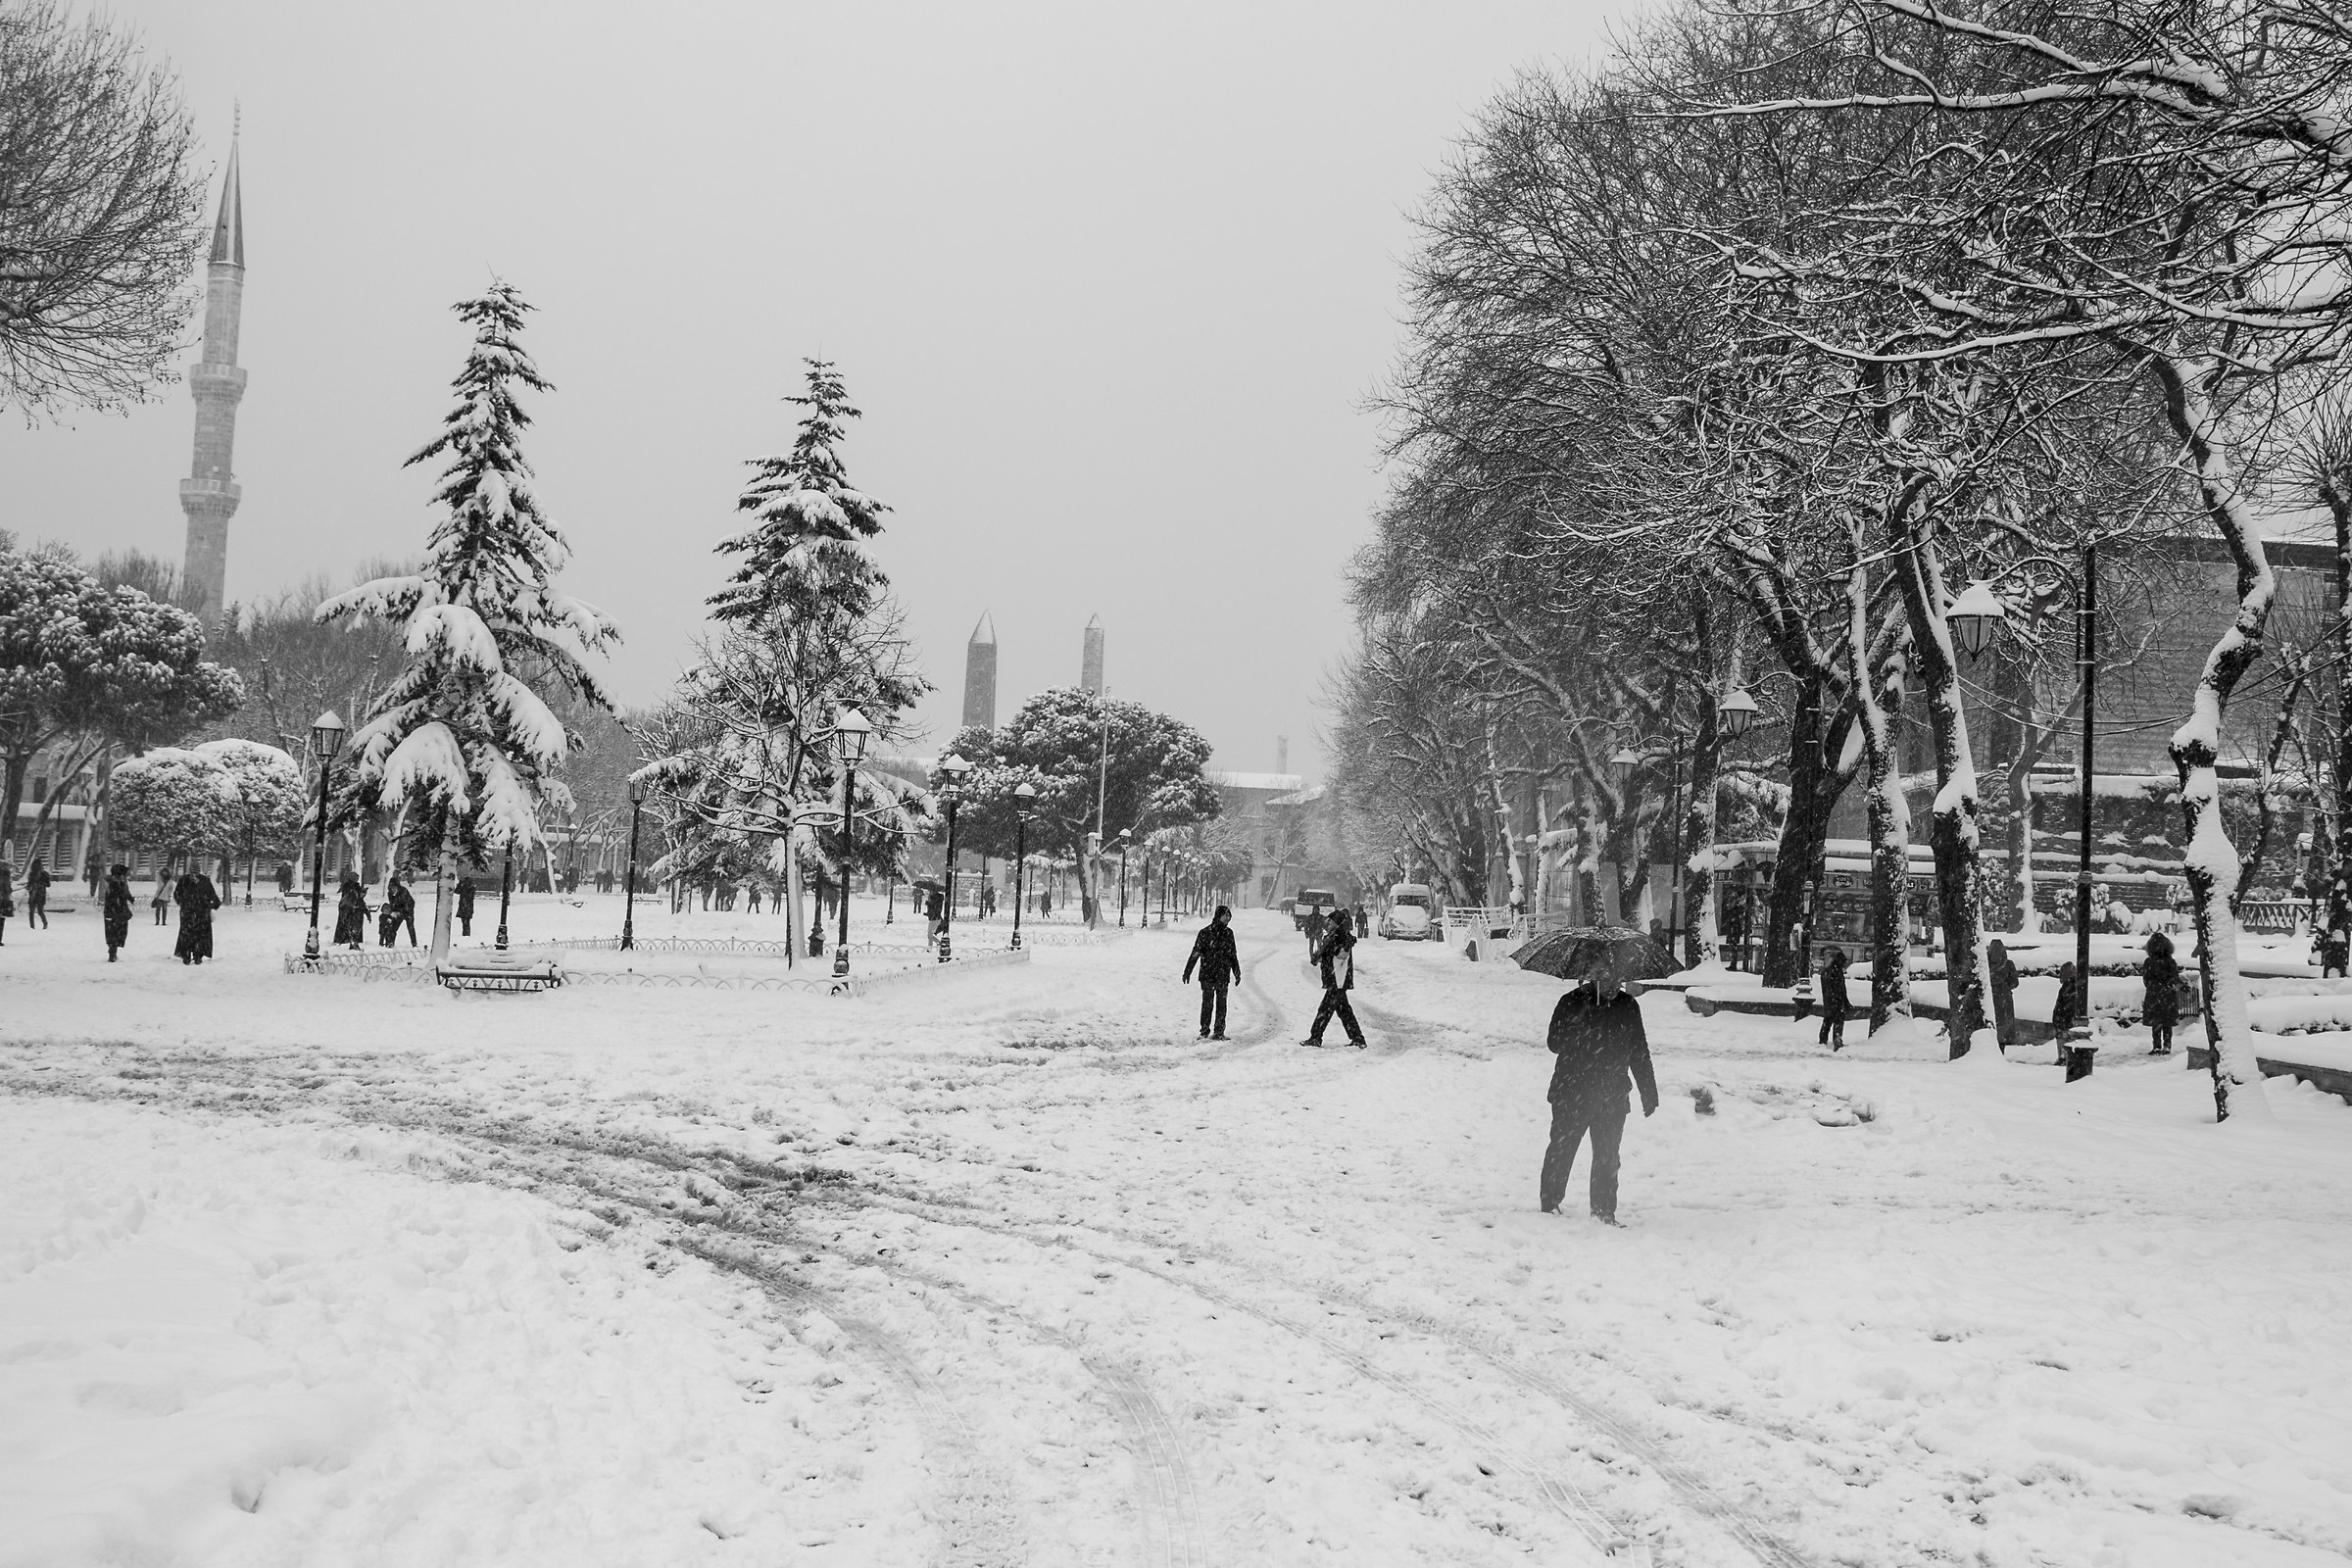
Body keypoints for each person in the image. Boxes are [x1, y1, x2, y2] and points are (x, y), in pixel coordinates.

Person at [1540, 949, 1661, 1223]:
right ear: (1591, 975)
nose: (1612, 984)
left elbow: (1639, 1051)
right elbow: (1554, 1044)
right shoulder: (1571, 1002)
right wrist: (1579, 1016)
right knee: (1562, 1149)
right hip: (1572, 1091)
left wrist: (1648, 1092)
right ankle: (1550, 1204)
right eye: (1605, 976)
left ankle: (1604, 1211)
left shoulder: (1628, 1006)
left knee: (1608, 1156)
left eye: (1616, 977)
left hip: (1612, 1093)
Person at [1301, 907, 1367, 1049]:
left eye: (1330, 921)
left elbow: (1327, 953)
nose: (1327, 923)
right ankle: (1357, 1038)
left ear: (1336, 923)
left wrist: (1318, 956)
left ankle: (1316, 1037)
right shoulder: (1339, 936)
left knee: (1325, 1010)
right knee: (1344, 1010)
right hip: (1339, 979)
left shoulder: (1337, 936)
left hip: (1336, 979)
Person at [1183, 905, 1243, 1040]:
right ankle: (1204, 1031)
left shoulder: (1229, 934)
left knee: (1222, 1005)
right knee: (1207, 1004)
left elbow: (1233, 955)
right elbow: (1195, 953)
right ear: (1218, 916)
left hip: (1222, 975)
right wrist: (1188, 971)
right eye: (1226, 915)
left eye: (1229, 916)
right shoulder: (1205, 933)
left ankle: (1219, 1032)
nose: (1228, 918)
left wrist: (1237, 972)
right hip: (1207, 975)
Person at [2141, 930, 2181, 1056]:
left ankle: (2156, 1046)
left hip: (2154, 996)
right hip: (2168, 995)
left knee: (2156, 1023)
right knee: (2167, 1022)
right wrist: (2169, 987)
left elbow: (2146, 980)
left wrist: (2154, 988)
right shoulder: (2170, 961)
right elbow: (2175, 978)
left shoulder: (2149, 962)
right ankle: (2167, 1045)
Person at [172, 868, 220, 964]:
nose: (194, 874)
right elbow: (177, 894)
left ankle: (191, 955)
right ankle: (193, 955)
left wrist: (183, 903)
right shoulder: (187, 880)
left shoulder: (190, 880)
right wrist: (213, 904)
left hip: (193, 912)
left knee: (190, 934)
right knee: (197, 934)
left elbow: (177, 894)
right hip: (196, 912)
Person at [1988, 939, 2020, 1051]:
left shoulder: (1985, 963)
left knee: (1991, 1023)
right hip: (2004, 998)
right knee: (2003, 1025)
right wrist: (2005, 986)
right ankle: (2001, 1048)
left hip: (1990, 997)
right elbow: (2015, 983)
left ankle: (1989, 1046)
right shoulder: (2008, 964)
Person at [1819, 948, 1851, 1050]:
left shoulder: (1826, 971)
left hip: (1829, 1000)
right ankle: (1837, 1040)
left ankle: (1822, 1040)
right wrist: (1845, 1000)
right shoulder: (1836, 971)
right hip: (1837, 1000)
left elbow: (1826, 987)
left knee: (1827, 1020)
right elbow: (1840, 987)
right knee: (1838, 1021)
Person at [103, 864, 134, 961]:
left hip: (114, 911)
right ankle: (112, 953)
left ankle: (112, 951)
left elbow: (125, 894)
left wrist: (130, 898)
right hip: (116, 911)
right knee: (115, 932)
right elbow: (118, 896)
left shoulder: (118, 882)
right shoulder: (116, 883)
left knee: (114, 932)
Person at [333, 871, 369, 950]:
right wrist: (358, 895)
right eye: (356, 878)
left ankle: (350, 939)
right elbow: (350, 896)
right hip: (349, 908)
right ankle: (348, 940)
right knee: (349, 925)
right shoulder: (348, 886)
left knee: (351, 925)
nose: (357, 879)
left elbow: (358, 896)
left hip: (353, 908)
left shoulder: (354, 885)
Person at [380, 874, 417, 947]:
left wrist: (401, 912)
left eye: (394, 887)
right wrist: (392, 911)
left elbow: (407, 904)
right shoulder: (390, 894)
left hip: (408, 911)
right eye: (391, 888)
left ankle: (414, 943)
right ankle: (390, 942)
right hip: (397, 912)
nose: (393, 889)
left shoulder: (404, 892)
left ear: (398, 887)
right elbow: (392, 904)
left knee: (410, 927)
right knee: (393, 927)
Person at [2051, 959, 2082, 1039]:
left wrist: (2061, 1024)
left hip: (2066, 1027)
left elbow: (2065, 1008)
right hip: (2068, 1025)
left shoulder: (2068, 988)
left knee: (2065, 1047)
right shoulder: (2076, 987)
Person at [24, 857, 51, 929]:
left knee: (32, 911)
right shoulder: (44, 874)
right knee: (40, 911)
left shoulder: (32, 874)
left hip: (34, 894)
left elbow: (29, 885)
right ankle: (44, 923)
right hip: (40, 894)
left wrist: (31, 886)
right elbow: (48, 885)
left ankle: (32, 926)